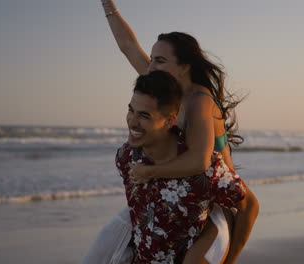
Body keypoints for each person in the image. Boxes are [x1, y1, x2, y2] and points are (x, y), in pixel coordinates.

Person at [90, 1, 259, 263]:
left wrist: (148, 172)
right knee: (100, 253)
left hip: (210, 200)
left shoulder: (199, 100)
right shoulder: (165, 88)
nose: (151, 66)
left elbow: (199, 161)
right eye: (152, 58)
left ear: (184, 66)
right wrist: (108, 4)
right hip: (173, 193)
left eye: (160, 60)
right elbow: (127, 46)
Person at [121, 71, 247, 263]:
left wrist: (228, 258)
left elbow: (247, 207)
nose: (132, 122)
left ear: (170, 121)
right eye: (131, 110)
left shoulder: (206, 169)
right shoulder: (126, 156)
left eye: (144, 115)